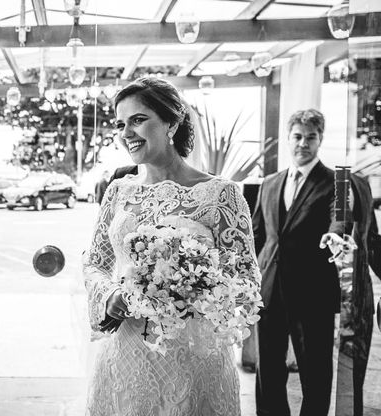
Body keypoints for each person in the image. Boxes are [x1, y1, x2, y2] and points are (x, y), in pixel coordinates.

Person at [82, 76, 260, 415]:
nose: (126, 132)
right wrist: (109, 295)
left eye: (138, 119)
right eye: (121, 123)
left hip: (193, 357)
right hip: (126, 351)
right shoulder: (118, 192)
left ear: (172, 123)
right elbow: (95, 262)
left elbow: (246, 279)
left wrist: (191, 286)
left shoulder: (220, 194)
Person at [252, 109, 341, 416]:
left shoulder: (335, 182)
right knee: (268, 370)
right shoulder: (270, 183)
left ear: (320, 140)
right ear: (287, 139)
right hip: (269, 287)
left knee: (315, 372)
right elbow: (257, 235)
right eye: (298, 136)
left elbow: (338, 218)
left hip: (312, 290)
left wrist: (336, 235)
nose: (303, 143)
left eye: (311, 137)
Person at [320, 172, 381, 416]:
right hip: (345, 285)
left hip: (350, 286)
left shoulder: (350, 182)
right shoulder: (353, 182)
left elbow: (369, 239)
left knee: (349, 358)